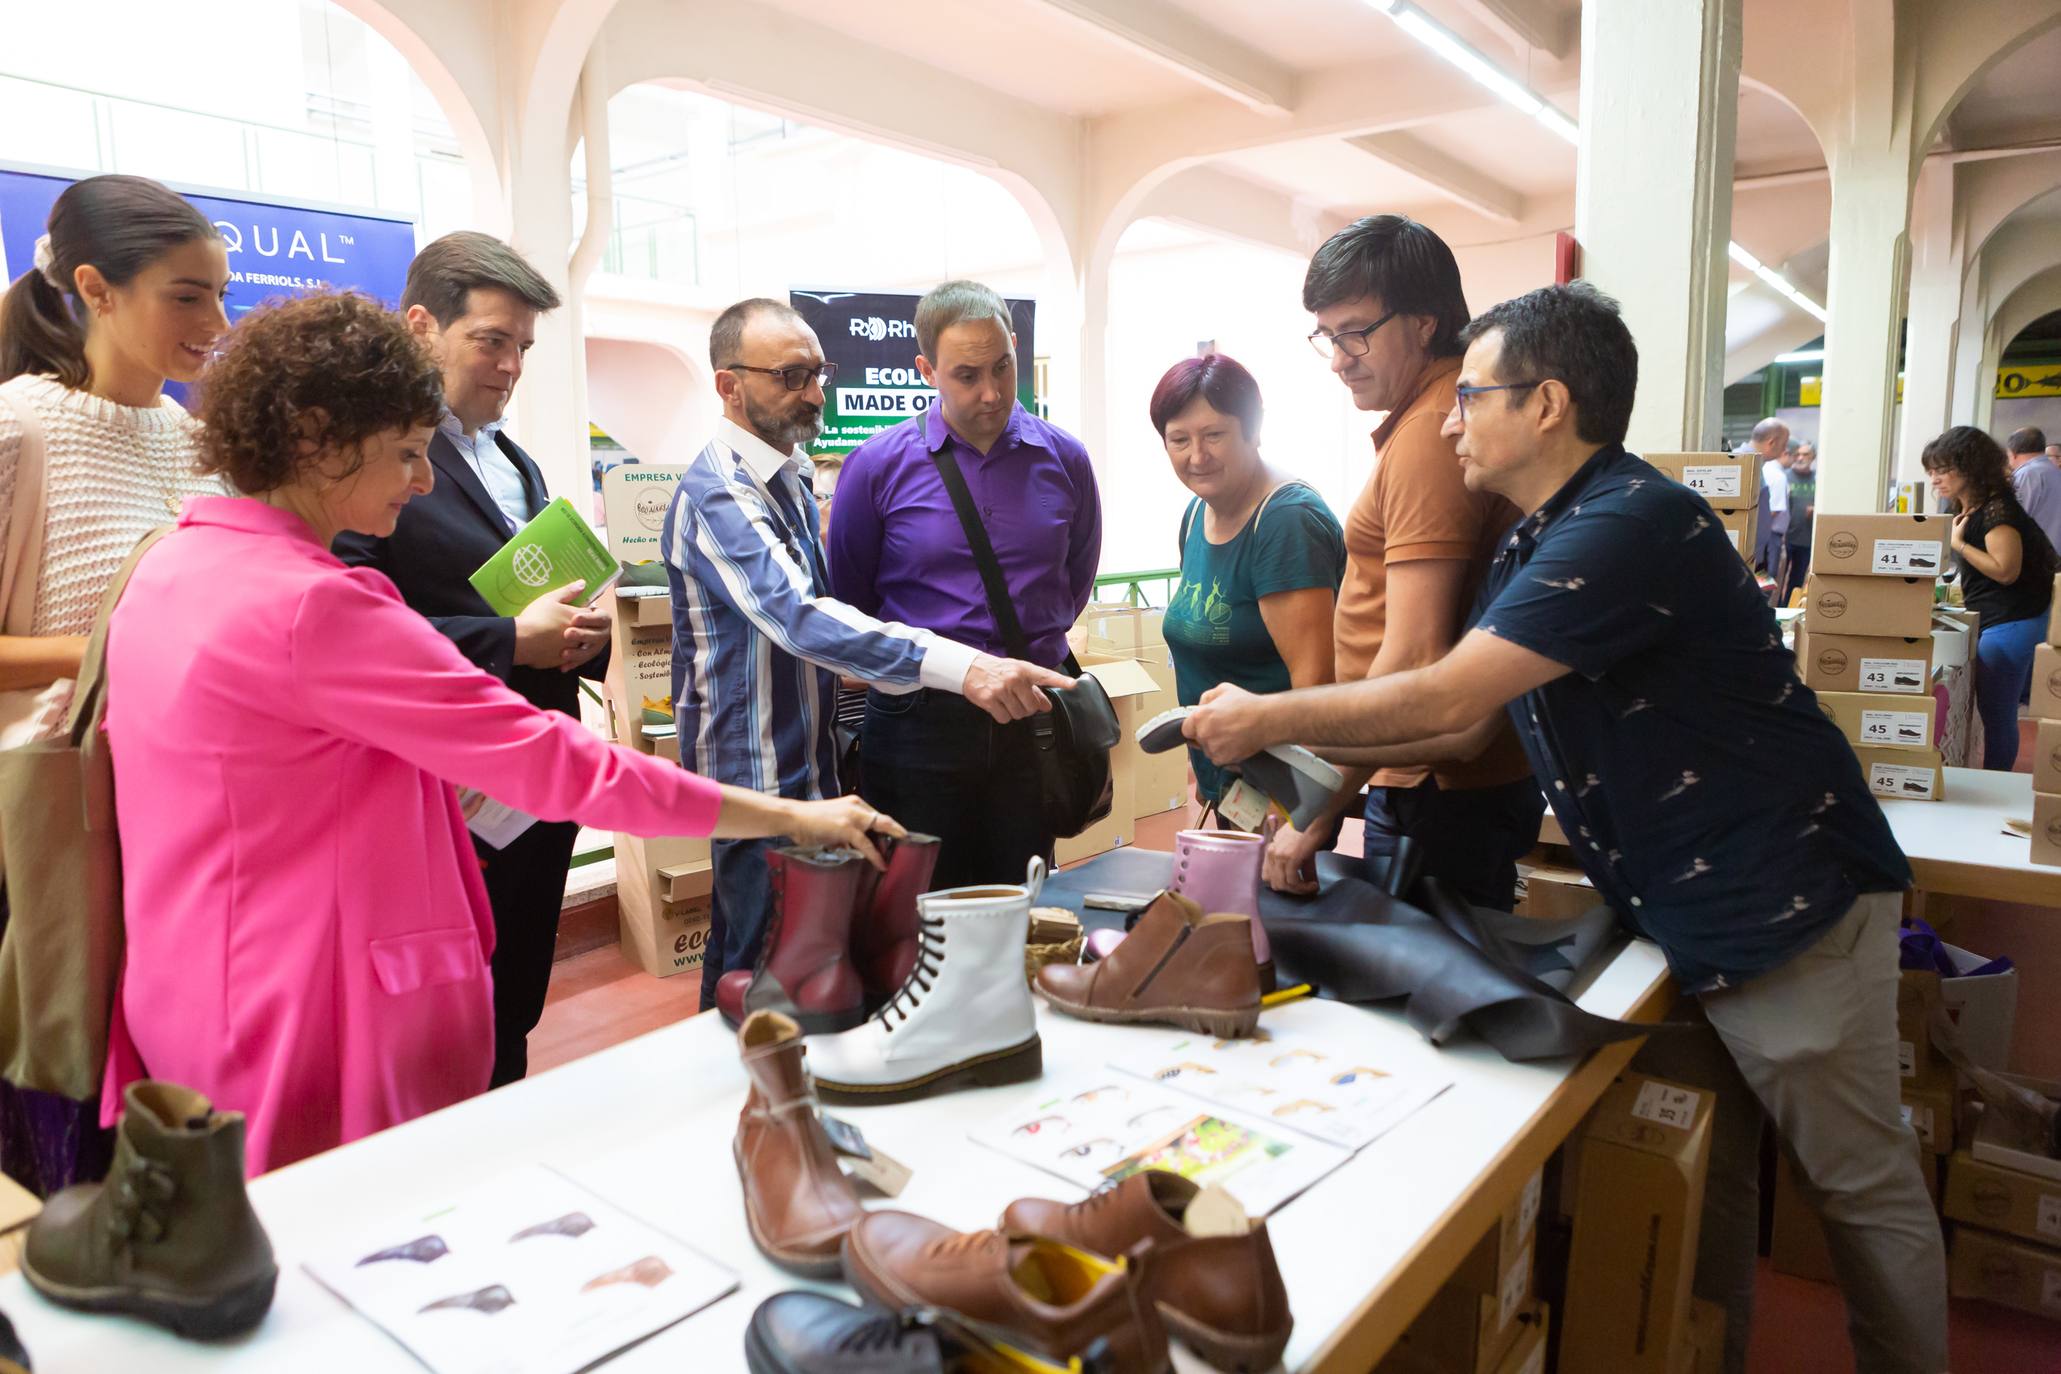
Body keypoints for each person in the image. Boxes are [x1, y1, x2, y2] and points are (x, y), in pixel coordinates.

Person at [1183, 282, 1941, 1374]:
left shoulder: (1630, 526)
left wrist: (1262, 717)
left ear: (1545, 404)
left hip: (1783, 901)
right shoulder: (1542, 539)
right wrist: (1318, 811)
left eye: (1471, 397)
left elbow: (1443, 699)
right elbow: (1461, 724)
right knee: (1706, 1162)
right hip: (1675, 907)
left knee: (1860, 1191)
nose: (1450, 420)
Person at [102, 291, 898, 1175]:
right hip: (310, 1002)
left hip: (187, 984)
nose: (424, 480)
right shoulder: (314, 606)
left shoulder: (170, 564)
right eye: (408, 452)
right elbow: (558, 765)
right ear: (321, 439)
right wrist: (794, 818)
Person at [664, 296, 1070, 1007]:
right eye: (789, 377)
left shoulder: (784, 478)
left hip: (813, 766)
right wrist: (961, 666)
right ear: (729, 385)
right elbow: (804, 616)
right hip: (757, 775)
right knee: (769, 978)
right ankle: (762, 1111)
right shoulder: (720, 492)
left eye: (818, 373)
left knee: (782, 963)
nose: (814, 394)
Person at [334, 233, 609, 1089]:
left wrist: (579, 636)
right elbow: (355, 630)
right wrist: (508, 641)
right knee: (445, 1015)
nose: (511, 365)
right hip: (442, 786)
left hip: (536, 774)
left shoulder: (516, 463)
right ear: (421, 326)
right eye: (492, 340)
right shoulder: (367, 461)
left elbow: (535, 607)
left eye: (522, 347)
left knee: (517, 991)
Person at [0, 174, 230, 1196]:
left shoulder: (194, 441)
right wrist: (124, 646)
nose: (215, 323)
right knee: (64, 1087)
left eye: (221, 296)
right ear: (94, 287)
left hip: (182, 820)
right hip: (49, 821)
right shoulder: (20, 431)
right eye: (187, 295)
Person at [1262, 216, 1542, 908]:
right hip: (1419, 772)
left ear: (1423, 322)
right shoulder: (1431, 420)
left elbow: (1414, 652)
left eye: (1356, 331)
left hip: (1431, 782)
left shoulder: (1428, 436)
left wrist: (1317, 807)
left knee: (1429, 999)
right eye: (1327, 336)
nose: (1338, 357)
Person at [828, 281, 1102, 891]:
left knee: (1024, 898)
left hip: (1030, 719)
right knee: (918, 909)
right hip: (916, 721)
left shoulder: (1065, 460)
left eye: (1003, 366)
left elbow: (1073, 582)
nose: (992, 392)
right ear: (926, 370)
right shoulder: (876, 466)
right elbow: (851, 607)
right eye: (967, 375)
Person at [1153, 353, 1344, 815]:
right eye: (1179, 439)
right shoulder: (1198, 513)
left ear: (1253, 430)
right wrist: (1204, 770)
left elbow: (1315, 691)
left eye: (1214, 435)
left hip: (1279, 796)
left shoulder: (1286, 522)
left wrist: (1289, 819)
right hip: (1231, 783)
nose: (1197, 456)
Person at [1926, 425, 2057, 770]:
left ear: (1970, 468)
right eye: (1931, 471)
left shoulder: (1997, 511)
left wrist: (1959, 545)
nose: (1935, 479)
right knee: (1997, 713)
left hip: (2012, 620)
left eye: (1942, 470)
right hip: (2003, 617)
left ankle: (1997, 782)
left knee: (1998, 715)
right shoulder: (1974, 508)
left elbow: (2005, 569)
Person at [2005, 425, 2061, 556]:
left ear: (2013, 454)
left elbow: (2014, 519)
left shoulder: (2026, 475)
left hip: (2035, 558)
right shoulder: (2054, 471)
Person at [1750, 417, 1791, 581]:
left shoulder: (1759, 465)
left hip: (1757, 552)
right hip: (1748, 554)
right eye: (1784, 444)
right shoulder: (1744, 465)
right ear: (1772, 442)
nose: (1784, 450)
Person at [1779, 442, 1816, 606]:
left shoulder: (1818, 479)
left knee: (1797, 579)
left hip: (1806, 538)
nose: (1801, 458)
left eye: (1805, 454)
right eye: (1798, 454)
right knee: (1778, 578)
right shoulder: (1785, 476)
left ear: (1813, 457)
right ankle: (1776, 608)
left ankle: (1788, 609)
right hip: (1785, 537)